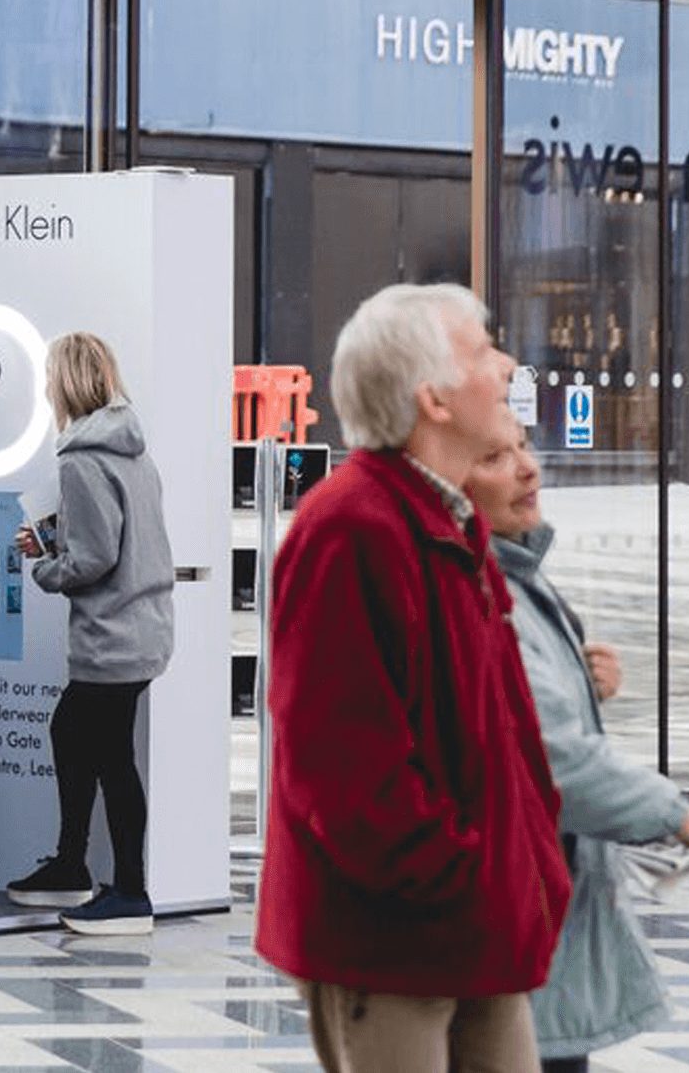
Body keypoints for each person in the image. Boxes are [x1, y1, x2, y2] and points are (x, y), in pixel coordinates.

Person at [253, 283, 570, 1073]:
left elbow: (499, 726)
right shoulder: (351, 528)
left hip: (475, 926)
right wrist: (464, 877)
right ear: (431, 397)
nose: (504, 366)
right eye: (481, 351)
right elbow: (341, 770)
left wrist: (527, 871)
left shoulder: (452, 520)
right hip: (398, 938)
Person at [467, 423, 689, 1073]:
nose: (527, 470)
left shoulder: (516, 577)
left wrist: (579, 679)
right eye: (495, 455)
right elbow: (552, 757)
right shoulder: (484, 591)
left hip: (543, 936)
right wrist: (685, 819)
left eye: (524, 448)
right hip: (514, 938)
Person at [7, 333, 175, 934]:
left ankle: (128, 890)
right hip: (143, 627)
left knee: (105, 755)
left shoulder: (79, 458)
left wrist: (44, 566)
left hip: (110, 634)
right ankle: (73, 865)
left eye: (49, 376)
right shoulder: (131, 450)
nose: (45, 387)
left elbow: (95, 557)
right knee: (81, 737)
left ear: (65, 382)